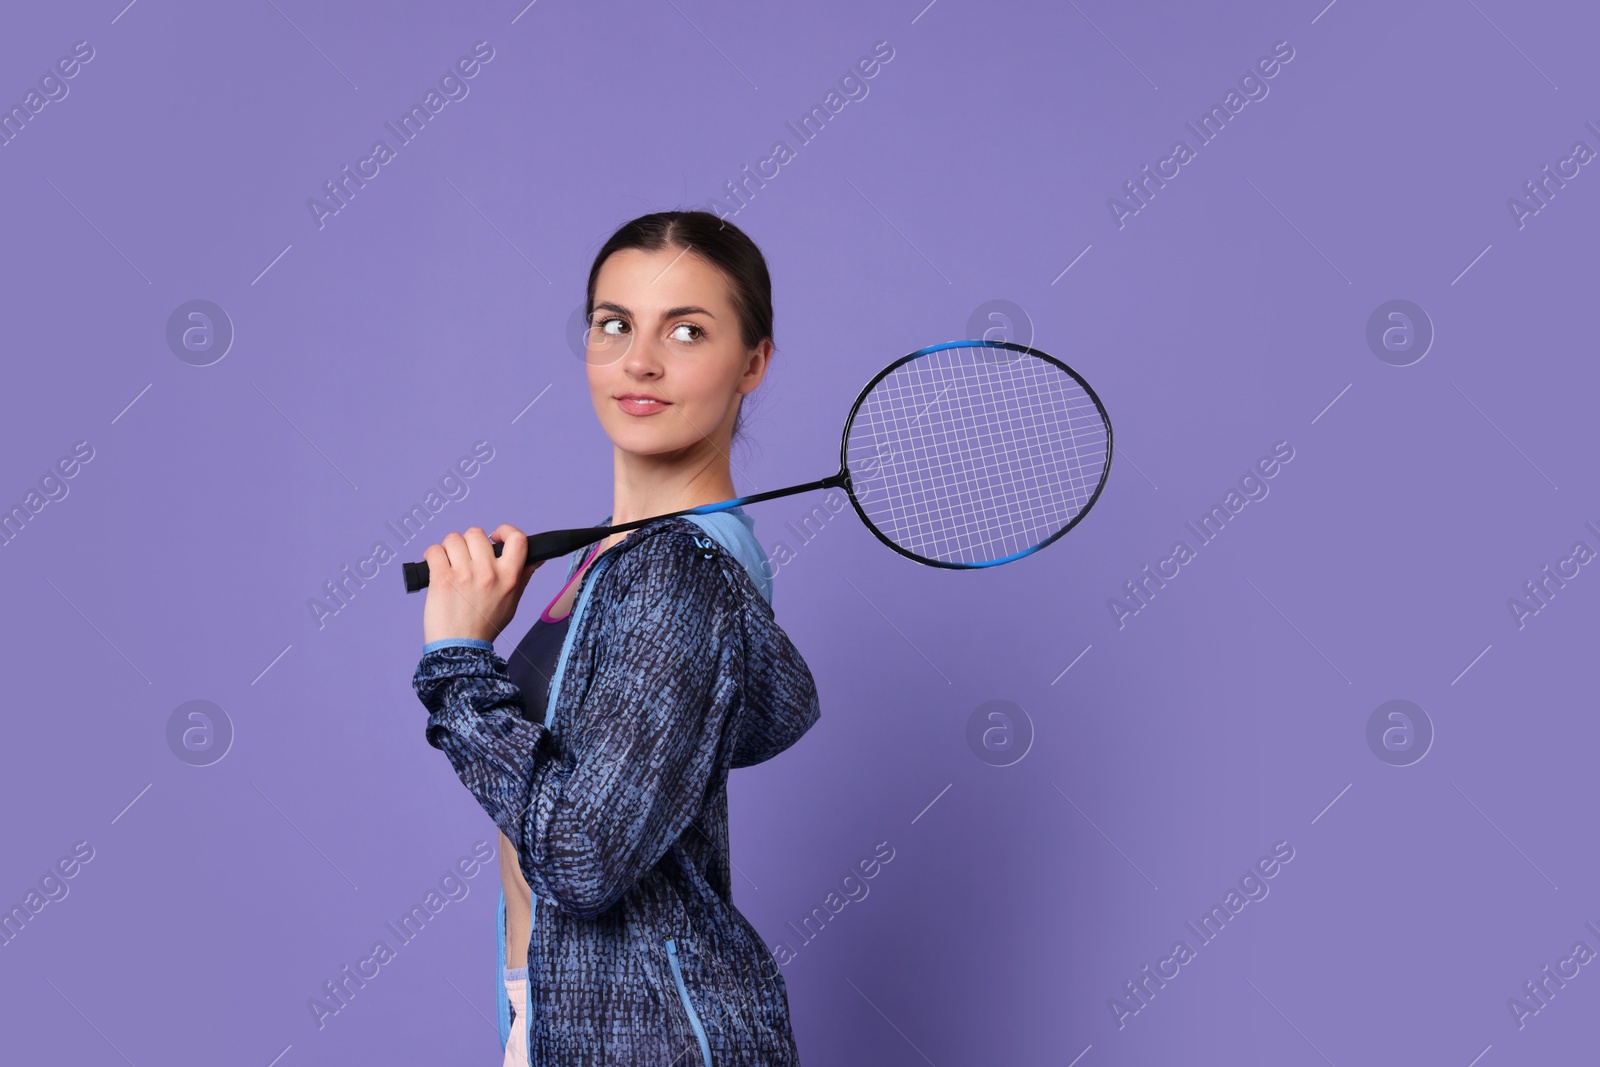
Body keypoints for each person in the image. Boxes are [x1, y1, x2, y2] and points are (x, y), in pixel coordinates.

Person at [411, 210, 821, 1067]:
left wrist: (459, 663)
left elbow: (584, 855)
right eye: (614, 324)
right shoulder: (617, 555)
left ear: (754, 362)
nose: (640, 360)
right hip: (573, 1021)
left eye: (687, 330)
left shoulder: (679, 571)